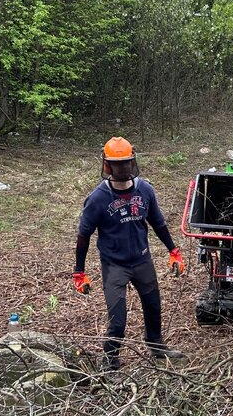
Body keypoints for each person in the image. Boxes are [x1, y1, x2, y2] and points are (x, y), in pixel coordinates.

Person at [73, 137, 185, 368]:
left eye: (126, 163)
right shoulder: (97, 199)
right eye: (118, 164)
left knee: (153, 305)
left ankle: (155, 345)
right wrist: (79, 272)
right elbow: (84, 236)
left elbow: (158, 223)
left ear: (133, 162)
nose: (123, 168)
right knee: (118, 320)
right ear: (108, 166)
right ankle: (110, 358)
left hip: (142, 259)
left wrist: (173, 250)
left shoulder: (145, 190)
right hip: (115, 264)